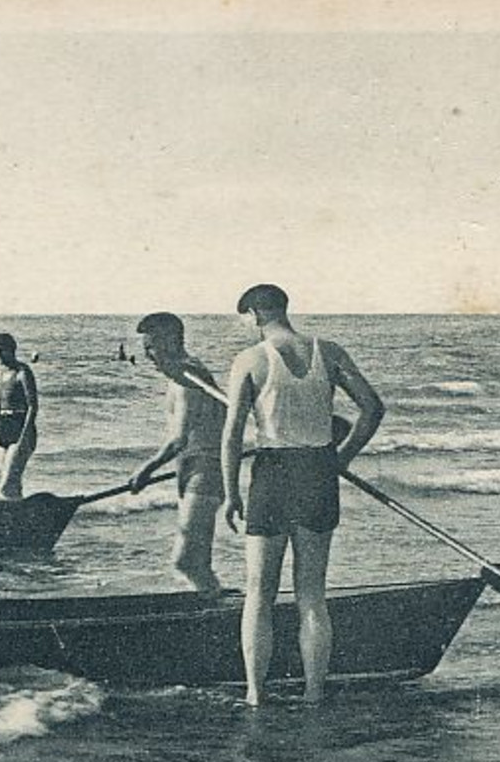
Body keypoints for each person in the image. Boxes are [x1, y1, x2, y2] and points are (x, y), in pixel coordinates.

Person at [221, 283, 384, 707]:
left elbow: (232, 435)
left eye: (244, 317)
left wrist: (229, 493)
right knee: (311, 592)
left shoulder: (250, 360)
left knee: (259, 591)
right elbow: (372, 408)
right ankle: (314, 693)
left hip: (272, 474)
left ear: (255, 313)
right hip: (317, 471)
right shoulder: (328, 352)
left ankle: (256, 693)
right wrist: (341, 458)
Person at [126, 311, 224, 597]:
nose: (147, 357)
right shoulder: (187, 373)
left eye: (150, 348)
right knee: (198, 562)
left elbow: (179, 439)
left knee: (186, 561)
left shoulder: (188, 379)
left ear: (171, 342)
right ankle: (212, 601)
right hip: (193, 467)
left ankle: (213, 604)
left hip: (204, 470)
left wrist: (146, 470)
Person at [0, 332, 38, 499]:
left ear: (11, 350)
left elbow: (33, 406)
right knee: (13, 484)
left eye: (1, 351)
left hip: (21, 426)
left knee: (6, 486)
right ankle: (18, 518)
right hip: (4, 428)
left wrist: (25, 436)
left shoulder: (23, 372)